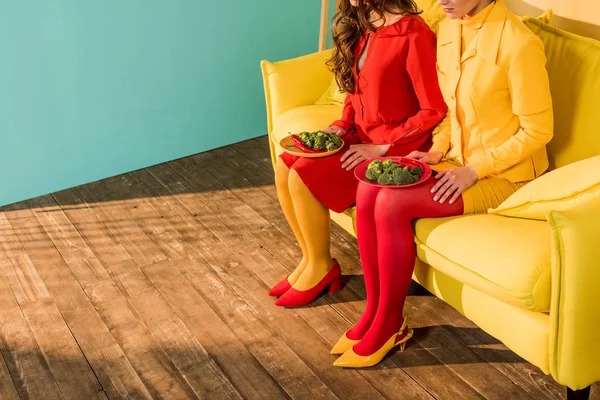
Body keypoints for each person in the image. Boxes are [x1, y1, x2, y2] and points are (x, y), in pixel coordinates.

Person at [332, 0, 554, 367]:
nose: (440, 1)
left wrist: (474, 169)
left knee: (392, 203)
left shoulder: (518, 42)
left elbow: (538, 131)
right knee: (369, 184)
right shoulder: (452, 28)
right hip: (455, 160)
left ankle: (390, 323)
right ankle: (374, 312)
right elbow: (449, 110)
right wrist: (437, 151)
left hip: (508, 174)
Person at [271, 0, 447, 308]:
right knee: (285, 165)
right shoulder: (368, 21)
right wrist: (342, 123)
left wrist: (383, 146)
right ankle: (311, 259)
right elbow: (356, 88)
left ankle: (322, 268)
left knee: (301, 175)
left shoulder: (414, 34)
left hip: (395, 146)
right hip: (361, 136)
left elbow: (433, 109)